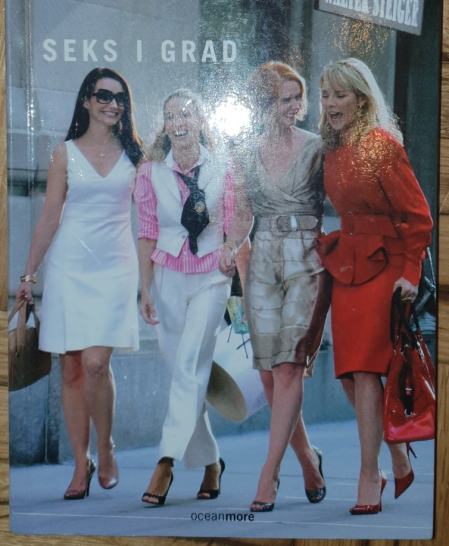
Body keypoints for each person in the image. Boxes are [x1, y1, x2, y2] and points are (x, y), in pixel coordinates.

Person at [16, 67, 143, 500]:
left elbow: (152, 217)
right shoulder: (64, 153)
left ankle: (105, 448)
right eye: (103, 96)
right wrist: (29, 274)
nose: (112, 104)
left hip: (115, 269)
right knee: (70, 368)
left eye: (119, 98)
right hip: (69, 266)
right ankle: (79, 462)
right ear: (86, 101)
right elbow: (50, 216)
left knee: (95, 363)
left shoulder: (136, 156)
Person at [318, 57, 433, 515]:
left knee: (366, 372)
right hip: (347, 268)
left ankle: (369, 474)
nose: (330, 104)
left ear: (362, 100)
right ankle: (397, 452)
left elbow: (418, 217)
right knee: (349, 374)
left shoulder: (381, 146)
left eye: (339, 95)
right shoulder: (333, 148)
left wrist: (410, 274)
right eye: (325, 95)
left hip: (386, 268)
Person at [221, 62, 329, 512]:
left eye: (297, 97)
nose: (294, 106)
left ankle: (269, 474)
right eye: (285, 99)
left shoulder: (318, 147)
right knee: (267, 375)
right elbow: (243, 214)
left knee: (288, 368)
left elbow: (346, 196)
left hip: (307, 259)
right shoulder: (246, 151)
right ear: (264, 105)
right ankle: (308, 459)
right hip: (263, 259)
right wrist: (231, 246)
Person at [134, 88, 249, 507]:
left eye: (187, 114)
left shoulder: (225, 165)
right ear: (164, 126)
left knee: (188, 365)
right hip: (167, 277)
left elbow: (240, 216)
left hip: (211, 278)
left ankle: (165, 460)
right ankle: (212, 461)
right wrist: (145, 288)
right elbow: (147, 232)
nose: (179, 122)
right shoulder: (150, 172)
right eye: (171, 116)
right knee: (186, 373)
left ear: (202, 120)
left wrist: (231, 247)